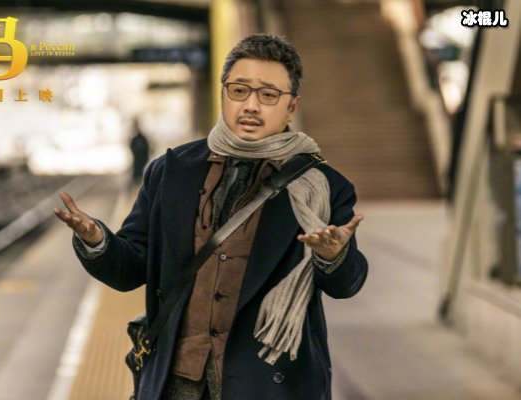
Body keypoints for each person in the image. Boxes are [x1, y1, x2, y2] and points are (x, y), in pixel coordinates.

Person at [55, 33, 368, 400]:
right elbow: (131, 269)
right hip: (176, 380)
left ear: (291, 106)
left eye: (268, 95)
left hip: (269, 384)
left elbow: (347, 284)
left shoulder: (322, 185)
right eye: (239, 91)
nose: (251, 105)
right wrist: (96, 239)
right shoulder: (170, 171)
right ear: (223, 94)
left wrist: (333, 256)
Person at [129, 120, 150, 188]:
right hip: (138, 158)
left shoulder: (142, 138)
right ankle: (136, 182)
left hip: (142, 157)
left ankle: (139, 182)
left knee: (140, 170)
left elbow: (146, 147)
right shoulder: (135, 139)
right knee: (137, 170)